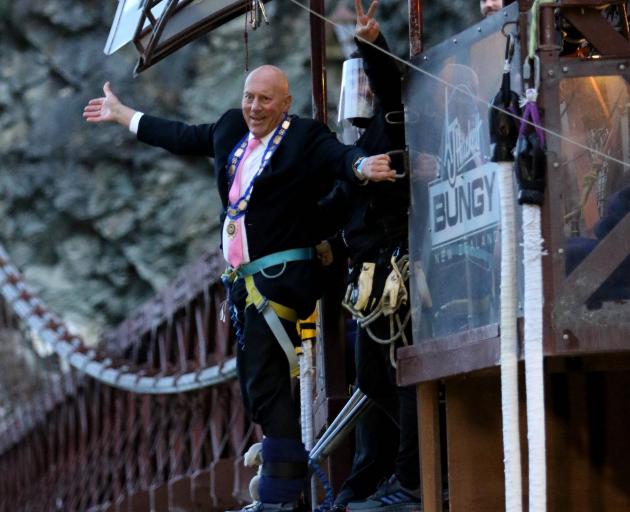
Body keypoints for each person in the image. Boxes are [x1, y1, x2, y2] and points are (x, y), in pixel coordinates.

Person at [82, 66, 396, 512]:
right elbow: (181, 136)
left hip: (283, 274)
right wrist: (123, 115)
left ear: (285, 104)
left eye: (265, 100)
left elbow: (338, 158)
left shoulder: (304, 136)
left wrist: (363, 167)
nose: (254, 107)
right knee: (258, 384)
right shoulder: (231, 128)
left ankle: (281, 494)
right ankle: (283, 481)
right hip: (245, 281)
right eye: (250, 97)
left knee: (265, 381)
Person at [319, 1, 421, 510]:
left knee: (399, 372)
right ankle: (382, 475)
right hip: (366, 279)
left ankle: (410, 479)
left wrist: (370, 43)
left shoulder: (395, 121)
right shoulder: (358, 146)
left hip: (394, 270)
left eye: (361, 87)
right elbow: (334, 203)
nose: (353, 98)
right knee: (377, 378)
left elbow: (390, 84)